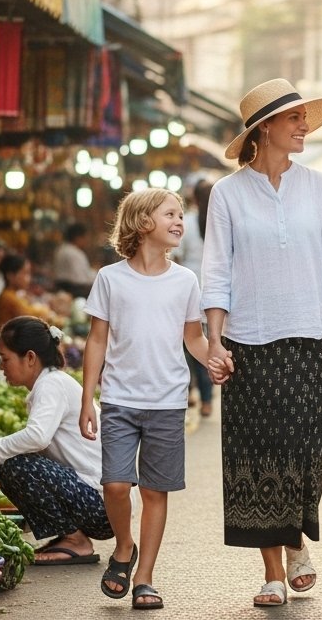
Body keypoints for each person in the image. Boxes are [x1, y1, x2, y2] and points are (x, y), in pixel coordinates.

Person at [201, 78, 322, 609]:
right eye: (294, 119)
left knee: (308, 449)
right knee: (256, 456)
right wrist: (215, 341)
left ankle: (296, 537)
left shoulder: (318, 186)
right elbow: (216, 271)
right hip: (248, 342)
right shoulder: (226, 193)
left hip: (309, 338)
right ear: (265, 127)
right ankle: (274, 569)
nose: (304, 126)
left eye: (304, 118)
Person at [78, 188, 207, 609]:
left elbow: (194, 338)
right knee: (115, 485)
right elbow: (96, 341)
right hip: (118, 399)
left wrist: (218, 360)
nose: (179, 221)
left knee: (155, 491)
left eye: (181, 215)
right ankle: (123, 547)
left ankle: (145, 578)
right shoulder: (110, 279)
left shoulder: (185, 280)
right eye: (170, 213)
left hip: (168, 401)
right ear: (142, 221)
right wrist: (86, 400)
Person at [0, 317, 110, 565]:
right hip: (95, 500)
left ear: (31, 358)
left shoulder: (51, 385)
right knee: (14, 463)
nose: (2, 367)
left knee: (14, 468)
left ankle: (76, 541)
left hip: (100, 505)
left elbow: (37, 437)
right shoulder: (49, 384)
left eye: (6, 359)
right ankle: (70, 537)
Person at [176, 178, 215, 417]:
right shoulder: (221, 222)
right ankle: (208, 400)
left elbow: (176, 257)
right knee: (207, 344)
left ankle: (190, 392)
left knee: (187, 345)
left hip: (187, 290)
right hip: (213, 294)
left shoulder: (187, 222)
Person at [0, 254, 63, 333]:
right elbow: (32, 315)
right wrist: (48, 312)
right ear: (11, 276)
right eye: (25, 273)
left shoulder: (16, 295)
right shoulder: (8, 297)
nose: (29, 278)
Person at [53, 224, 97, 298]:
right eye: (85, 237)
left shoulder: (60, 249)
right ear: (78, 238)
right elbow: (80, 280)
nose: (87, 241)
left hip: (61, 288)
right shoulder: (75, 253)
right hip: (75, 292)